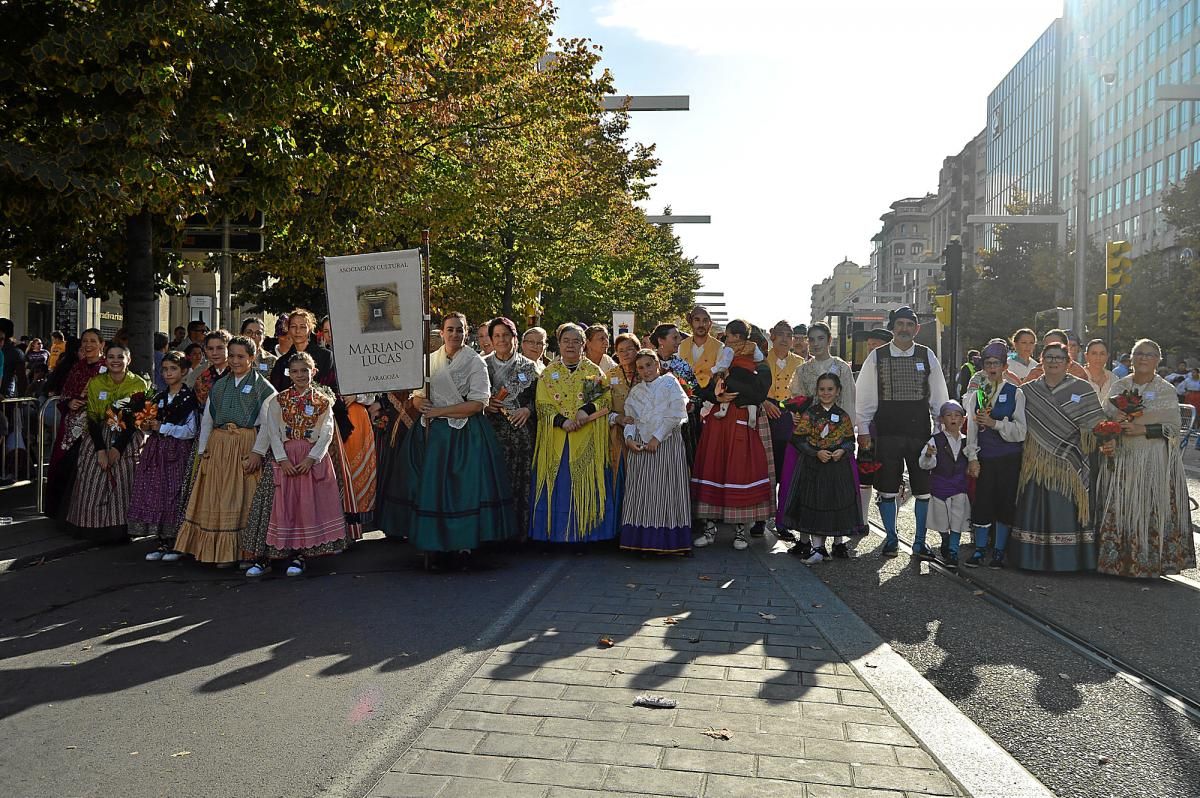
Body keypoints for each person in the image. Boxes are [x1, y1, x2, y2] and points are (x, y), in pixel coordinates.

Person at [389, 314, 515, 564]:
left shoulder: (475, 362)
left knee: (464, 489)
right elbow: (417, 396)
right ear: (442, 333)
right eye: (450, 330)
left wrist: (439, 411)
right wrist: (420, 402)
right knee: (432, 488)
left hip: (465, 433)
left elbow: (479, 403)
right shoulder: (428, 361)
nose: (455, 334)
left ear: (466, 333)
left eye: (460, 330)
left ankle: (464, 544)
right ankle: (433, 543)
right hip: (433, 434)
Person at [1095, 339, 1197, 578]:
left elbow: (1173, 428)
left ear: (1157, 360)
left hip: (1153, 461)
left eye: (1149, 354)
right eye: (1139, 354)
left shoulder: (1165, 390)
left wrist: (1144, 429)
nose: (1143, 358)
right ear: (1131, 358)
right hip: (1121, 459)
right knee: (1120, 507)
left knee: (1149, 509)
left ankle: (1149, 563)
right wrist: (1113, 426)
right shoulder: (1119, 386)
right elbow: (1103, 419)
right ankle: (1116, 562)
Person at [174, 336, 277, 566]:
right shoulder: (219, 385)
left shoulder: (264, 388)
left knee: (242, 500)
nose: (235, 360)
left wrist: (258, 453)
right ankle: (218, 552)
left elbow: (268, 425)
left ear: (252, 358)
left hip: (245, 445)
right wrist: (203, 453)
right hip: (219, 446)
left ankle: (242, 552)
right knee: (218, 499)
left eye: (241, 356)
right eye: (232, 356)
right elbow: (208, 420)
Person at [856, 306, 949, 559]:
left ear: (916, 329)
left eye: (909, 324)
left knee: (923, 488)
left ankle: (919, 541)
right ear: (893, 327)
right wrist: (863, 429)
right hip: (886, 433)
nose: (905, 328)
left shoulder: (927, 355)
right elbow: (864, 396)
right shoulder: (877, 356)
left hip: (920, 433)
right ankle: (891, 538)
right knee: (886, 488)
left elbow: (939, 396)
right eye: (900, 324)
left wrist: (940, 430)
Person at [1009, 342, 1105, 572]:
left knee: (1068, 510)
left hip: (1072, 458)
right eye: (1049, 357)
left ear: (1068, 362)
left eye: (1059, 358)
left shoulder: (1082, 389)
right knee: (1035, 505)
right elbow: (1018, 422)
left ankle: (1069, 560)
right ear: (1041, 360)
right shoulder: (1027, 390)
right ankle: (1031, 559)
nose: (1053, 361)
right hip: (1037, 458)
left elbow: (1096, 423)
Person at [256, 352, 349, 576]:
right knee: (287, 504)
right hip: (287, 457)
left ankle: (303, 554)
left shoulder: (322, 401)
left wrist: (312, 458)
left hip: (310, 457)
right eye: (295, 371)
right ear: (289, 373)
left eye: (304, 371)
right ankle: (286, 551)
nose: (300, 375)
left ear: (313, 372)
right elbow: (273, 430)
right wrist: (282, 459)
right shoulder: (279, 400)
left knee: (309, 504)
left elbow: (327, 432)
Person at [691, 319, 774, 551]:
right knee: (713, 469)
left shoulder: (762, 365)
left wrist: (733, 391)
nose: (733, 342)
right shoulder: (722, 355)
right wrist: (717, 396)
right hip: (719, 422)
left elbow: (758, 392)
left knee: (739, 472)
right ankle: (709, 529)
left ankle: (740, 532)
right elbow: (707, 387)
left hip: (741, 421)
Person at [530, 323, 616, 546]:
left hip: (585, 437)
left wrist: (585, 411)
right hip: (557, 439)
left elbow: (604, 400)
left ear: (583, 344)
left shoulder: (592, 372)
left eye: (576, 341)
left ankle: (584, 537)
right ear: (559, 344)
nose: (571, 345)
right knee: (556, 487)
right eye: (566, 341)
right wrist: (562, 421)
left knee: (584, 485)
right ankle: (551, 535)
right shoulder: (548, 374)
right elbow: (543, 405)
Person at [64, 342, 149, 543]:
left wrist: (118, 448)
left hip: (127, 434)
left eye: (121, 357)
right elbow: (92, 417)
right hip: (99, 432)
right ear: (106, 359)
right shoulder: (96, 382)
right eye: (111, 357)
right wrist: (101, 449)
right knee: (91, 474)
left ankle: (121, 528)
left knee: (124, 476)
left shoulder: (138, 383)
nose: (116, 361)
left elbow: (134, 419)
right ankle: (90, 526)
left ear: (129, 360)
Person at [787, 321, 858, 557]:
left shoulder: (841, 367)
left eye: (820, 339)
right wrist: (796, 416)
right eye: (811, 339)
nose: (815, 344)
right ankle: (807, 539)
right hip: (811, 432)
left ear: (829, 340)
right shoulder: (803, 370)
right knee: (809, 486)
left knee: (837, 488)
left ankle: (838, 540)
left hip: (837, 431)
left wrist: (845, 431)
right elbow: (795, 398)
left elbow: (848, 398)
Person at [781, 374, 862, 564]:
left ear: (838, 392)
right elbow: (797, 439)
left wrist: (842, 450)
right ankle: (816, 548)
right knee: (814, 502)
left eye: (830, 389)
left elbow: (851, 441)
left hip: (837, 468)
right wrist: (815, 452)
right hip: (813, 466)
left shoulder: (843, 416)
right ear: (817, 392)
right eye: (822, 389)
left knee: (833, 503)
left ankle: (828, 546)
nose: (826, 393)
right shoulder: (810, 414)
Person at [619, 349, 692, 554]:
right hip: (642, 446)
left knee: (666, 492)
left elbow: (675, 415)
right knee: (642, 492)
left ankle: (668, 541)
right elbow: (631, 418)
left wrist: (657, 438)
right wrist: (629, 439)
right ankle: (641, 540)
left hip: (666, 444)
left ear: (657, 364)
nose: (645, 370)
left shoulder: (670, 383)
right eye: (640, 367)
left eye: (649, 365)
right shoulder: (636, 391)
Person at [962, 341, 1027, 568]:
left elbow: (1020, 431)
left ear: (1004, 366)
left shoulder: (1014, 393)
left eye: (996, 364)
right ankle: (980, 549)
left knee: (1005, 503)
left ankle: (999, 551)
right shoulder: (976, 395)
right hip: (986, 457)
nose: (992, 368)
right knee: (982, 502)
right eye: (988, 363)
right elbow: (971, 429)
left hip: (1009, 458)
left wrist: (995, 424)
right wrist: (972, 457)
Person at [129, 350, 199, 561]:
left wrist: (163, 427)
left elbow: (190, 430)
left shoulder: (189, 398)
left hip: (178, 452)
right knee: (157, 492)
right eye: (165, 369)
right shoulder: (158, 397)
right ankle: (161, 540)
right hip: (156, 451)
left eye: (173, 369)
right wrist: (147, 426)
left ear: (184, 371)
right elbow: (148, 425)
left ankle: (177, 542)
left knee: (175, 493)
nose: (168, 373)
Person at [317, 315, 376, 539]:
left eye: (335, 329)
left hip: (356, 417)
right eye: (327, 331)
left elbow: (373, 393)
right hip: (327, 418)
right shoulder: (322, 359)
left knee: (353, 469)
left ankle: (353, 526)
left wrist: (356, 394)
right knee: (332, 472)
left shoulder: (359, 355)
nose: (331, 335)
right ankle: (332, 525)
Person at [483, 317, 539, 538]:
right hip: (491, 433)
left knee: (519, 483)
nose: (502, 340)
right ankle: (491, 532)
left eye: (506, 335)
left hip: (520, 434)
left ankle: (517, 533)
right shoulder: (482, 364)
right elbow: (469, 396)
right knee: (492, 481)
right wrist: (485, 405)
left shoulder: (528, 366)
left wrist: (528, 410)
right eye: (497, 335)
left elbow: (541, 399)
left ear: (515, 338)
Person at [45, 329, 106, 517]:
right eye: (85, 341)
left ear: (101, 345)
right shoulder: (77, 368)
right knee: (64, 465)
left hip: (97, 425)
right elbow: (65, 393)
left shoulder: (107, 368)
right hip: (71, 426)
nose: (88, 345)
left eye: (93, 341)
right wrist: (69, 401)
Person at [764, 322, 805, 542]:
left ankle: (783, 521)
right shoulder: (760, 359)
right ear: (771, 336)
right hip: (765, 420)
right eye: (780, 334)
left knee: (786, 473)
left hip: (790, 421)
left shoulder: (800, 363)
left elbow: (806, 393)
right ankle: (761, 519)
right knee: (765, 472)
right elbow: (750, 388)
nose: (784, 339)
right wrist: (763, 401)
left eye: (789, 335)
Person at [916, 402, 970, 568]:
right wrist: (928, 455)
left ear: (963, 419)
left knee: (957, 519)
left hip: (959, 486)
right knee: (941, 519)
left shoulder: (967, 441)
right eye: (949, 415)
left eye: (957, 415)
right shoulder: (935, 440)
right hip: (940, 486)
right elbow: (925, 464)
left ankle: (953, 551)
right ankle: (945, 539)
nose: (953, 418)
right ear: (941, 419)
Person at [604, 332, 641, 512]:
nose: (625, 354)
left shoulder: (647, 372)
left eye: (630, 349)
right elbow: (602, 407)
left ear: (638, 350)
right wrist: (617, 418)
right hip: (617, 436)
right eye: (620, 350)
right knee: (619, 479)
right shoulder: (609, 375)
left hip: (643, 435)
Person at [708, 324, 764, 424]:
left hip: (736, 372)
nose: (727, 338)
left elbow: (724, 364)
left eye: (728, 335)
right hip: (750, 373)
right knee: (749, 396)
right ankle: (752, 414)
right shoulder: (753, 345)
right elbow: (759, 358)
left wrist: (713, 370)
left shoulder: (730, 348)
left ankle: (723, 411)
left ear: (736, 336)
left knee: (726, 389)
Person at [271, 309, 334, 391]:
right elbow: (276, 391)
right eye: (293, 326)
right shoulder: (281, 362)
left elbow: (331, 388)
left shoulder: (326, 356)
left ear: (310, 330)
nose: (297, 331)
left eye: (302, 327)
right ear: (288, 330)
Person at [680, 306, 722, 390]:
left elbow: (720, 376)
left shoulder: (720, 347)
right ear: (691, 322)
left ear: (710, 323)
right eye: (697, 320)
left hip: (710, 394)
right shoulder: (681, 345)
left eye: (705, 320)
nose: (701, 324)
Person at [184, 330, 230, 405]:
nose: (215, 353)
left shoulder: (238, 373)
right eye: (210, 349)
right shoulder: (200, 376)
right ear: (205, 350)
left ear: (229, 348)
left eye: (220, 348)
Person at [1022, 329, 1088, 383]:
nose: (1051, 349)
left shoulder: (1078, 372)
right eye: (1048, 346)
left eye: (1055, 346)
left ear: (1066, 347)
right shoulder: (1036, 372)